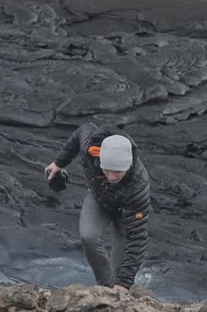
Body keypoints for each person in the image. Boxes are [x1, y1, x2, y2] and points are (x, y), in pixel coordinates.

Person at [44, 123, 150, 291]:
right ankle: (106, 289)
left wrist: (123, 283)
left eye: (118, 172)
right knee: (88, 237)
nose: (112, 177)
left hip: (127, 206)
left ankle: (120, 290)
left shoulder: (139, 183)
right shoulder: (90, 146)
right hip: (99, 197)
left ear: (128, 165)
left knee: (124, 245)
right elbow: (80, 132)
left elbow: (137, 237)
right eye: (107, 170)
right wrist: (58, 163)